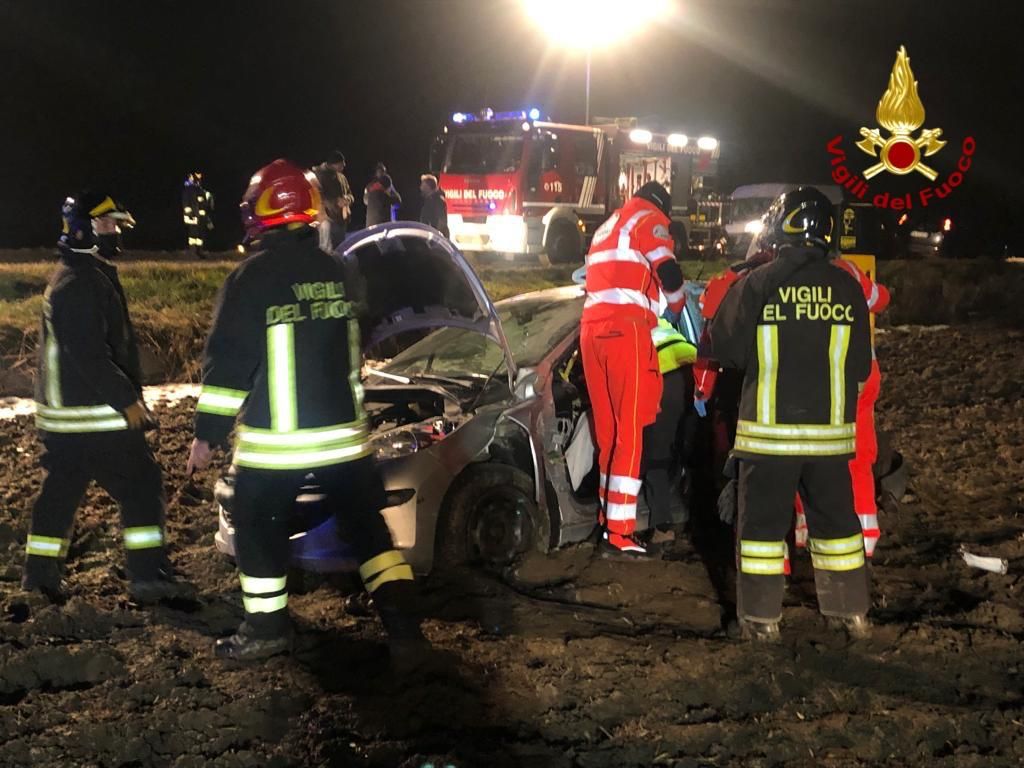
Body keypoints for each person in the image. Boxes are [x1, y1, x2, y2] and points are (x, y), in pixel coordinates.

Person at [186, 159, 426, 663]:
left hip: (279, 445)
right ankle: (405, 628)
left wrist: (207, 434)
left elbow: (227, 367)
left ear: (265, 209)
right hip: (346, 440)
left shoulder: (250, 280)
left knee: (256, 525)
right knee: (368, 532)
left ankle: (266, 629)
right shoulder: (340, 270)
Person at [709, 186, 872, 641]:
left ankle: (761, 623)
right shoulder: (847, 287)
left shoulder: (757, 284)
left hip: (769, 438)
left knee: (761, 531)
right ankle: (851, 614)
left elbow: (724, 348)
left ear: (781, 227)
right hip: (830, 440)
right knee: (838, 527)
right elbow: (861, 367)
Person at [23, 193, 194, 604]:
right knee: (141, 484)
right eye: (107, 224)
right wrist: (128, 402)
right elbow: (90, 356)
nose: (114, 232)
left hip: (69, 420)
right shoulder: (79, 284)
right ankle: (148, 576)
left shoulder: (78, 276)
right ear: (83, 228)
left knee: (59, 497)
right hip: (93, 417)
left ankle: (39, 579)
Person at [581, 181, 688, 556]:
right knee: (630, 432)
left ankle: (607, 522)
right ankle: (621, 533)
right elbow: (668, 271)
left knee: (609, 435)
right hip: (625, 331)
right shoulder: (650, 218)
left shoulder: (608, 226)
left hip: (591, 332)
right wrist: (678, 303)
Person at [795, 258, 890, 557]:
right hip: (863, 373)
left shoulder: (784, 273)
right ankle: (866, 532)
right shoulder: (847, 269)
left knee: (803, 448)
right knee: (859, 453)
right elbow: (880, 299)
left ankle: (804, 526)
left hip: (819, 376)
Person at [641, 318, 697, 540]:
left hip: (664, 377)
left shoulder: (621, 322)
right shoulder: (658, 319)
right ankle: (696, 517)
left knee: (656, 457)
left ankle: (661, 528)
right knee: (688, 445)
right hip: (692, 369)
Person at [312, 150, 354, 251]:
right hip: (326, 219)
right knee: (327, 250)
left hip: (341, 220)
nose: (344, 165)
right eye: (341, 163)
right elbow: (318, 196)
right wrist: (336, 202)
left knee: (341, 249)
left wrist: (348, 199)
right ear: (332, 164)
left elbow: (350, 193)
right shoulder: (318, 176)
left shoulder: (341, 177)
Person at [182, 171, 214, 257]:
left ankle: (199, 251)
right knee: (193, 234)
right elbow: (186, 203)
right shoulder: (188, 190)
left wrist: (206, 218)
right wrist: (190, 215)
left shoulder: (201, 190)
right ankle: (192, 251)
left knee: (200, 234)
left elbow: (205, 204)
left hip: (201, 217)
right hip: (192, 217)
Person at [364, 162, 402, 227]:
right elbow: (398, 201)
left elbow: (365, 201)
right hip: (383, 225)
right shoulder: (387, 185)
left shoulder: (369, 187)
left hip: (370, 225)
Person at [419, 174, 449, 238]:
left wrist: (436, 237)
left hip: (436, 238)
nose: (420, 188)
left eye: (423, 185)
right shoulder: (430, 200)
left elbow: (440, 222)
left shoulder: (438, 201)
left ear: (428, 187)